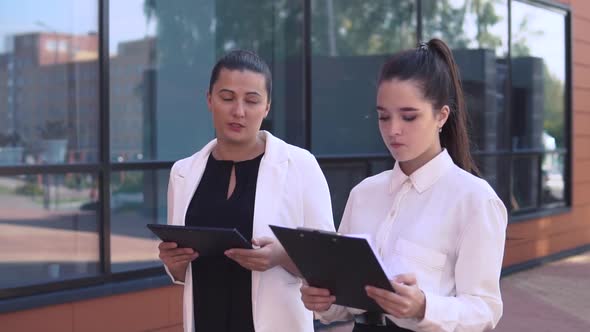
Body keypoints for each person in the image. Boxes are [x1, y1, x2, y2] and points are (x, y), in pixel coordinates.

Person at [300, 38, 508, 332]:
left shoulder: (474, 200)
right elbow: (345, 304)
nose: (393, 129)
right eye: (384, 116)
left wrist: (424, 306)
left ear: (441, 116)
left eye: (409, 116)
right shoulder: (364, 194)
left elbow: (485, 310)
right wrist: (324, 301)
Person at [158, 50, 335, 332]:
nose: (238, 111)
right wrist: (173, 262)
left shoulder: (300, 166)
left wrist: (280, 255)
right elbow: (181, 272)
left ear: (267, 107)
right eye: (227, 98)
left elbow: (328, 262)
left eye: (251, 101)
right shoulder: (183, 172)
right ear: (209, 100)